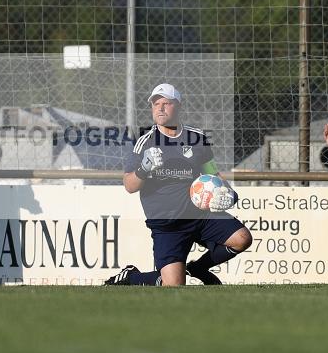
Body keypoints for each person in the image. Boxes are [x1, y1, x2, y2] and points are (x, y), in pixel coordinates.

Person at [108, 83, 252, 286]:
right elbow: (129, 185)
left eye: (165, 103)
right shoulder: (145, 142)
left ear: (178, 106)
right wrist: (143, 168)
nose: (160, 108)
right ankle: (131, 276)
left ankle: (199, 267)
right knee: (174, 286)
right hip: (167, 226)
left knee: (242, 238)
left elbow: (212, 173)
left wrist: (229, 193)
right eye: (155, 103)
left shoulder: (197, 138)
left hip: (200, 215)